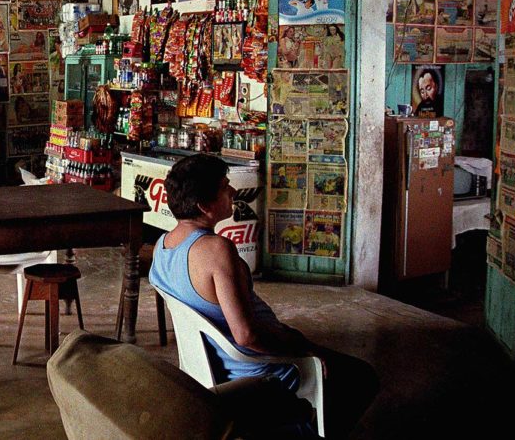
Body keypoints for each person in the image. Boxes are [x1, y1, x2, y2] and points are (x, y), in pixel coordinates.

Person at [149, 154, 378, 439]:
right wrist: (303, 350)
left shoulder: (163, 245)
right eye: (224, 187)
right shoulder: (215, 250)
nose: (233, 191)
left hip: (212, 361)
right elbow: (246, 336)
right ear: (204, 206)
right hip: (253, 368)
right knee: (361, 377)